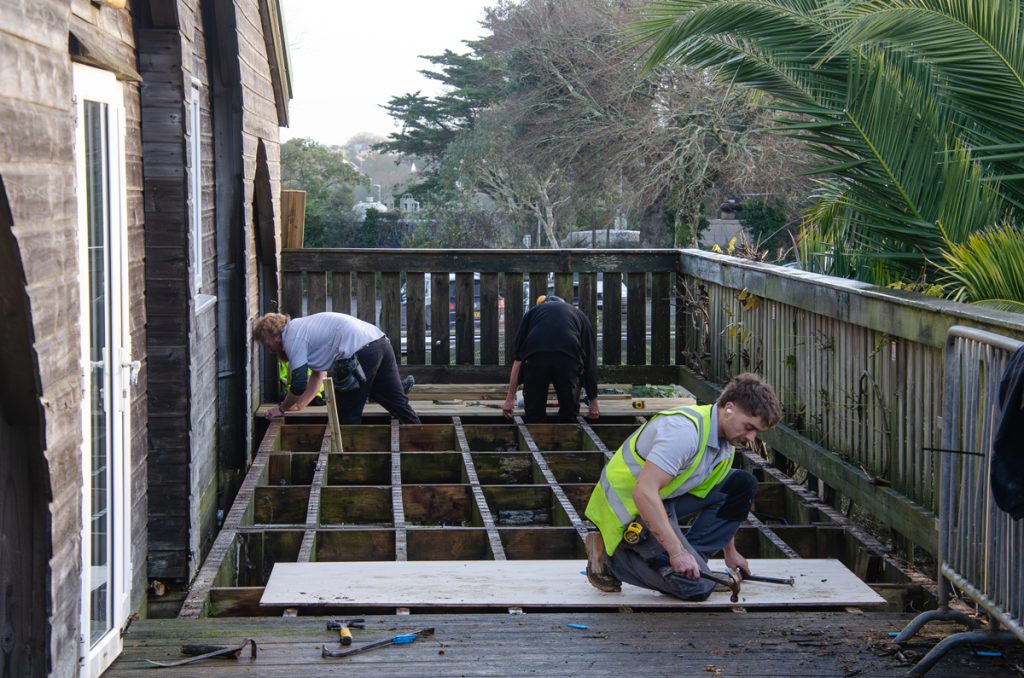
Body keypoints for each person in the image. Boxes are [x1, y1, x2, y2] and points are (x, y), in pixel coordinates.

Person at [583, 373, 782, 601]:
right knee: (696, 589)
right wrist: (676, 552)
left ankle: (695, 564)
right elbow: (644, 493)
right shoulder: (683, 432)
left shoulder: (724, 443)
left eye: (757, 432)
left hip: (661, 500)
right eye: (749, 427)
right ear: (729, 408)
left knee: (741, 484)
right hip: (627, 512)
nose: (751, 437)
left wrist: (731, 552)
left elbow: (714, 493)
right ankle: (611, 560)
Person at [254, 312, 420, 425]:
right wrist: (299, 406)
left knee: (347, 415)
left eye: (266, 343)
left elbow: (299, 383)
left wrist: (281, 409)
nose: (268, 349)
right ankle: (423, 443)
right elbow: (318, 375)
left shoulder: (292, 337)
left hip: (358, 351)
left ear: (275, 336)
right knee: (398, 405)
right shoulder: (301, 328)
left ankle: (348, 465)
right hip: (379, 341)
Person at [502, 295, 600, 423]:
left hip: (536, 359)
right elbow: (589, 362)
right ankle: (568, 433)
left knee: (534, 414)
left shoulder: (532, 313)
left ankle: (536, 431)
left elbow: (519, 360)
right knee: (569, 412)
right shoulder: (579, 314)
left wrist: (510, 399)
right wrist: (593, 401)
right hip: (568, 360)